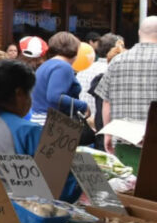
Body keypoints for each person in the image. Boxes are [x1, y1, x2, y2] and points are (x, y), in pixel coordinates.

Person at [0, 60, 80, 201]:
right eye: (29, 93)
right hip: (14, 217)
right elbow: (61, 191)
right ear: (19, 93)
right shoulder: (28, 131)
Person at [96, 17, 157, 173]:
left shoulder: (117, 61)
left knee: (129, 192)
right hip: (153, 143)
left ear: (139, 33)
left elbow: (106, 102)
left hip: (124, 142)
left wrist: (107, 134)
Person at [28, 31, 88, 125]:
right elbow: (55, 96)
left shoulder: (46, 65)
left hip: (38, 119)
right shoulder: (63, 66)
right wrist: (84, 106)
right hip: (53, 124)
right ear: (74, 49)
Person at [78, 32, 119, 118]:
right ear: (116, 50)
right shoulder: (113, 71)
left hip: (81, 121)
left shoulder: (84, 69)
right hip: (101, 123)